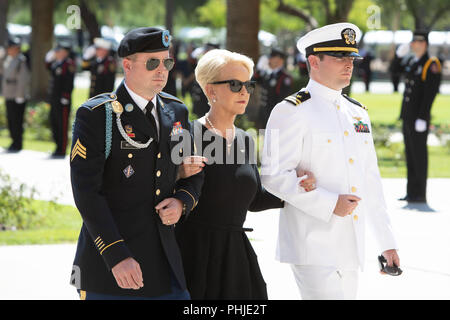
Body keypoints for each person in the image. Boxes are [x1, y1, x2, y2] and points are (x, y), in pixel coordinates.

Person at [260, 23, 400, 300]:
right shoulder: (290, 110)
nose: (348, 65)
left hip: (350, 244)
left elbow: (370, 179)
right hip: (310, 242)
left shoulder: (357, 112)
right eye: (339, 58)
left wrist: (387, 242)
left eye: (351, 58)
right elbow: (273, 175)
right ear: (314, 61)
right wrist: (329, 202)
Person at [69, 27, 203, 300]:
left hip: (165, 262)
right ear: (127, 65)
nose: (161, 70)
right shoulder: (98, 115)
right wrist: (117, 256)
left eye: (167, 62)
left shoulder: (176, 110)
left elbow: (193, 169)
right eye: (152, 62)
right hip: (111, 266)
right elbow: (86, 193)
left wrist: (182, 202)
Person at [174, 49, 316, 300]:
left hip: (236, 255)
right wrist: (177, 174)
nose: (244, 92)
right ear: (210, 91)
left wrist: (295, 185)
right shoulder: (187, 136)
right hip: (194, 255)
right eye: (234, 84)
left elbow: (253, 199)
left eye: (248, 85)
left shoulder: (245, 140)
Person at [398, 30, 442, 204]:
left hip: (419, 118)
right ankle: (411, 192)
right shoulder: (411, 61)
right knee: (410, 154)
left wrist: (423, 117)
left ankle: (420, 193)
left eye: (416, 42)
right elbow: (394, 71)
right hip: (408, 116)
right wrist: (397, 56)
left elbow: (430, 93)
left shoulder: (431, 64)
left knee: (419, 155)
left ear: (424, 44)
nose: (413, 45)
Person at [45, 41, 76, 157]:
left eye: (58, 51)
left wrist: (66, 96)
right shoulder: (57, 64)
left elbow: (69, 82)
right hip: (54, 99)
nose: (56, 53)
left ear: (65, 53)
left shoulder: (68, 64)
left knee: (62, 124)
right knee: (54, 123)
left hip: (63, 100)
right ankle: (57, 147)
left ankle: (62, 149)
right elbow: (47, 66)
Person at [2, 37, 30, 152]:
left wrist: (20, 95)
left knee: (17, 120)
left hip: (17, 95)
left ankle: (17, 144)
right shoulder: (8, 59)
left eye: (11, 48)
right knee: (11, 120)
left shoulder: (20, 60)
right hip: (9, 94)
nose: (9, 50)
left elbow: (23, 79)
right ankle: (14, 141)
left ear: (16, 49)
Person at [254, 48, 293, 129]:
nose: (269, 60)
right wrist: (259, 69)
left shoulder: (284, 78)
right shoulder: (267, 74)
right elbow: (254, 81)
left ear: (279, 60)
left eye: (271, 58)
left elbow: (283, 99)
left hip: (275, 115)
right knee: (263, 138)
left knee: (273, 140)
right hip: (263, 113)